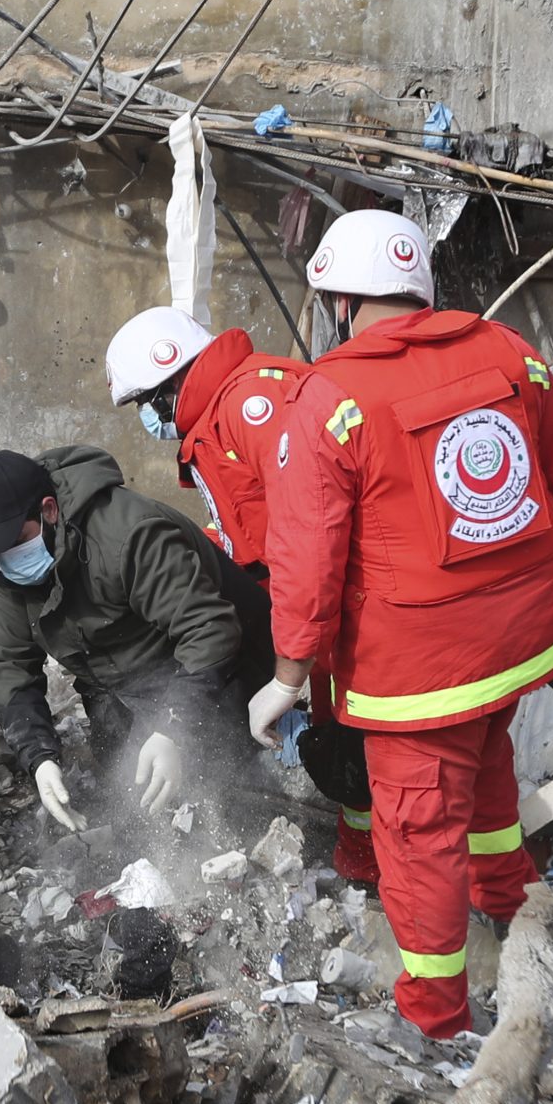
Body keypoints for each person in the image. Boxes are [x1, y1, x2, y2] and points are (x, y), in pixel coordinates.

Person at [246, 209, 553, 1038]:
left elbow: (306, 558)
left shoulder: (329, 400)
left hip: (421, 663)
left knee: (417, 827)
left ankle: (436, 1015)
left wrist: (286, 678)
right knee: (487, 754)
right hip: (524, 634)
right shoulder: (508, 351)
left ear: (341, 304)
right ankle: (511, 902)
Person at [104, 303, 379, 885]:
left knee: (362, 735)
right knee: (342, 730)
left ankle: (383, 860)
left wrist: (288, 668)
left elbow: (310, 521)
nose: (147, 422)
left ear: (169, 380)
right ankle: (360, 853)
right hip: (306, 599)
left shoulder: (250, 406)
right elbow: (248, 522)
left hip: (337, 600)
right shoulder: (220, 414)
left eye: (144, 405)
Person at [0, 447, 273, 832]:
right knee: (136, 805)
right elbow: (8, 664)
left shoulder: (128, 533)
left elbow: (209, 629)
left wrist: (172, 727)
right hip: (114, 676)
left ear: (49, 510)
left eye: (16, 539)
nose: (7, 556)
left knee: (218, 791)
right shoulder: (7, 566)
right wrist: (39, 757)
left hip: (216, 660)